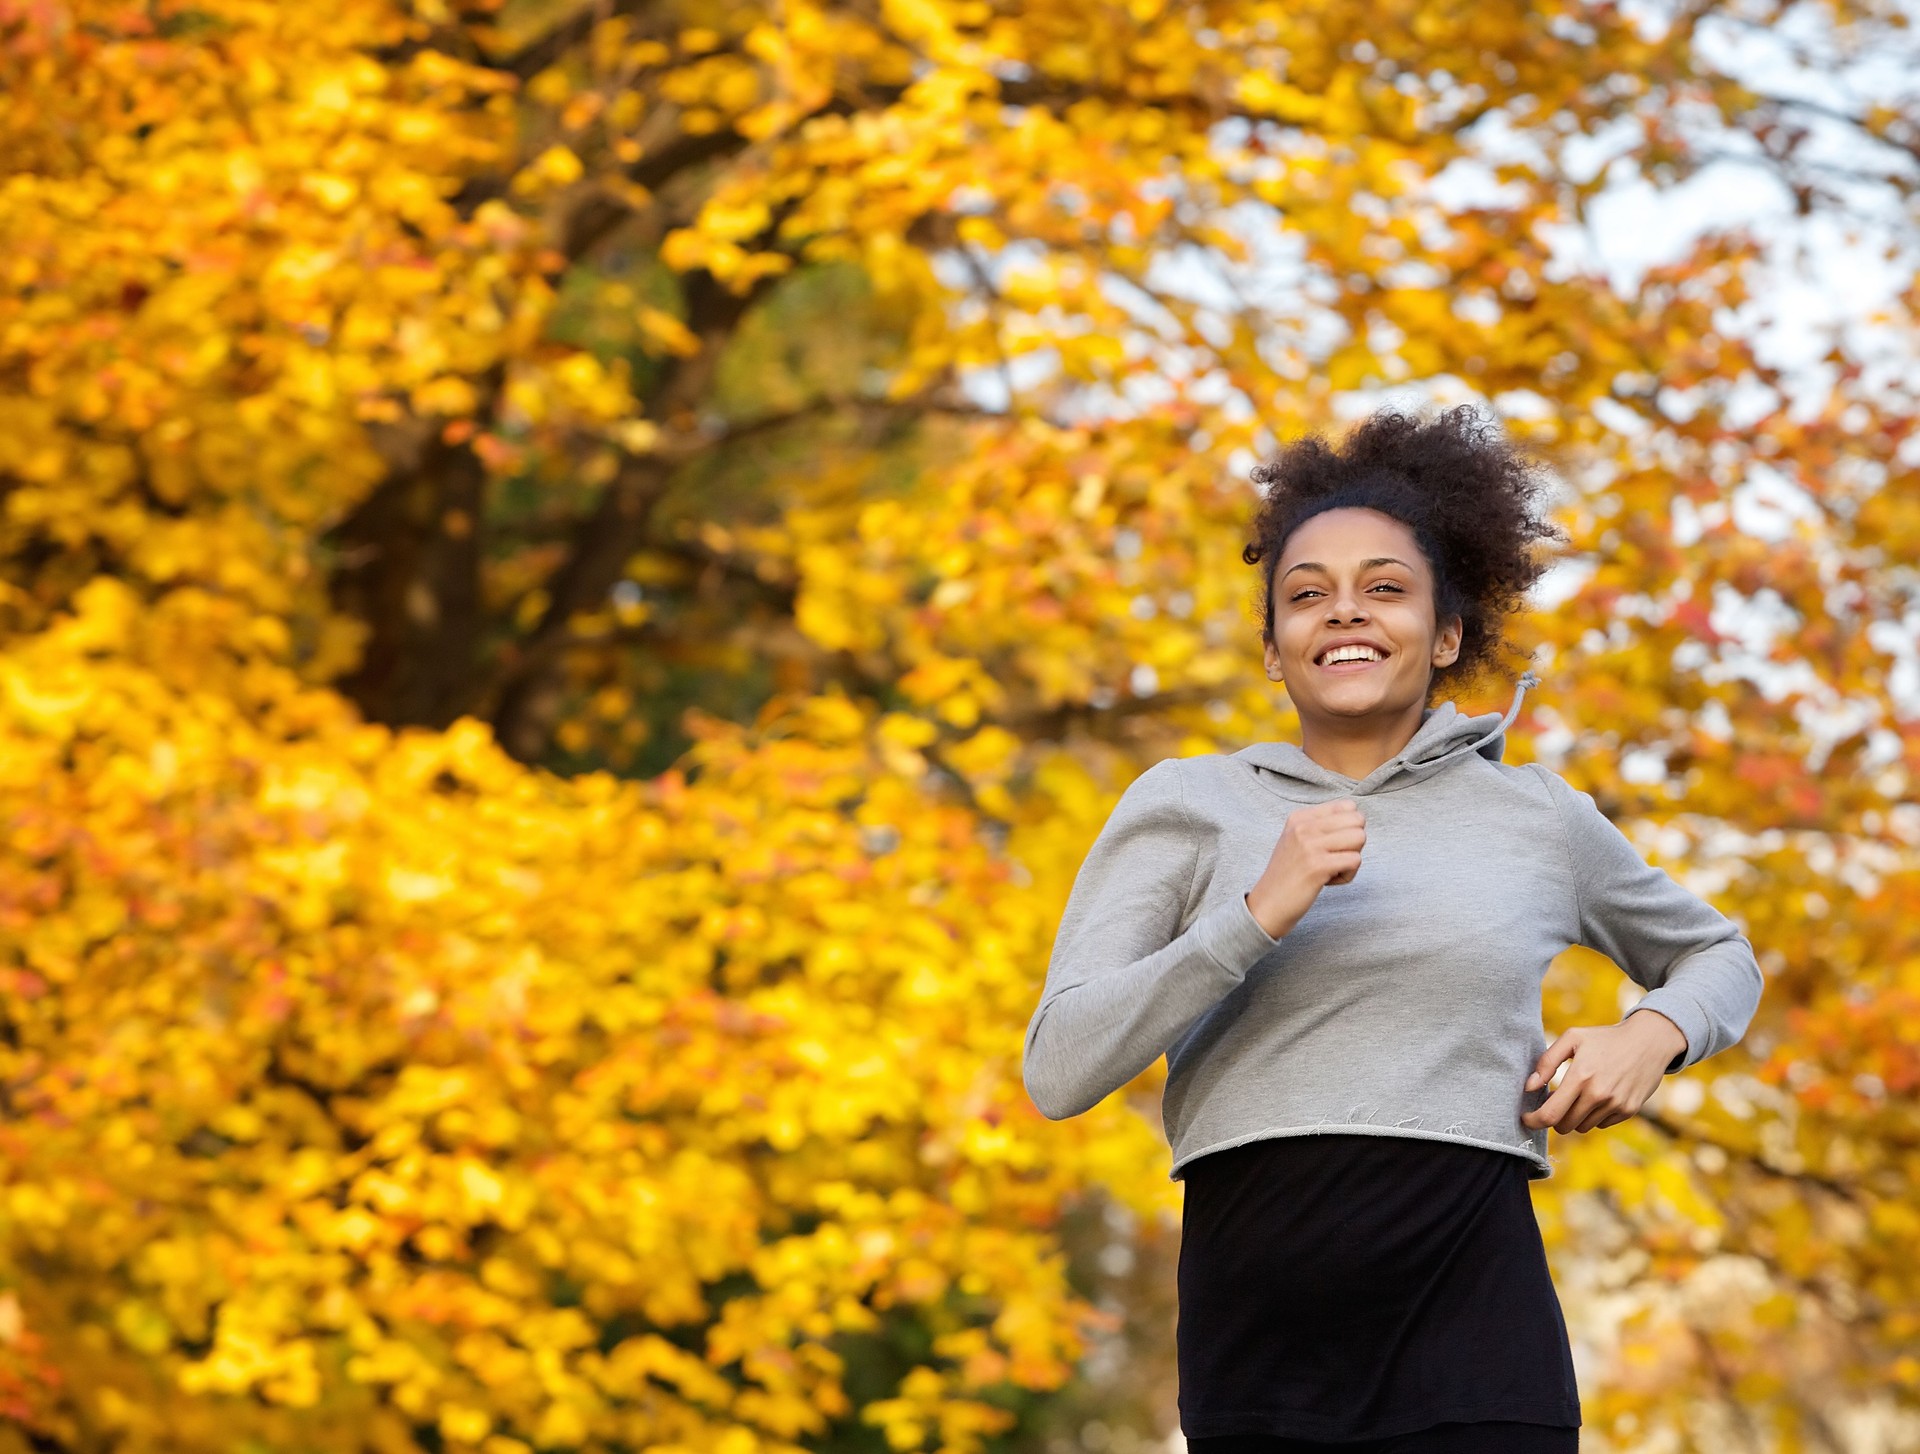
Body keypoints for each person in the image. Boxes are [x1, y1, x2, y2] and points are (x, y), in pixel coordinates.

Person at [1021, 404, 1766, 1454]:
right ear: (1274, 648)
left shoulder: (1535, 816)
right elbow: (1060, 1064)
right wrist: (1251, 917)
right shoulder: (1187, 803)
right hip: (1260, 1340)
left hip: (1477, 1330)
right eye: (1306, 594)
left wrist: (1651, 1033)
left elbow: (1720, 954)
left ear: (1449, 632)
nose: (1343, 612)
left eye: (1385, 587)